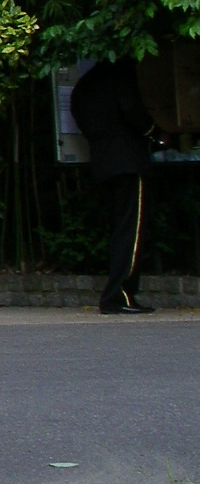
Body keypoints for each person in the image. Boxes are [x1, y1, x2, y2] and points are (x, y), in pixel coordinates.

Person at [68, 58, 159, 314]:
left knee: (121, 228)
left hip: (103, 160)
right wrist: (154, 132)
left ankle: (118, 292)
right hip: (128, 160)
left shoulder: (85, 84)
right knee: (131, 231)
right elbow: (133, 111)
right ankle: (119, 293)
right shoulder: (120, 76)